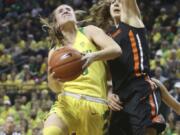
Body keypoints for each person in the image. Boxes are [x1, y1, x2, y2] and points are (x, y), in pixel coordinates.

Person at [42, 4, 122, 135]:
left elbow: (116, 50)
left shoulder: (89, 31)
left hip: (95, 103)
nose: (65, 11)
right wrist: (52, 79)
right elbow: (55, 88)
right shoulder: (54, 52)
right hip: (67, 102)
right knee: (51, 132)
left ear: (76, 18)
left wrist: (93, 56)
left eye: (68, 9)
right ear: (56, 24)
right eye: (60, 11)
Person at [90, 0, 167, 135]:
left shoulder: (131, 20)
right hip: (119, 98)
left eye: (118, 1)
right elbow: (107, 74)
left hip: (140, 89)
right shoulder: (106, 39)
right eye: (112, 2)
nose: (115, 3)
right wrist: (108, 93)